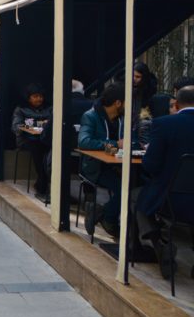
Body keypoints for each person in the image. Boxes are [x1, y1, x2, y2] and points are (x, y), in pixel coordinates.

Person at [135, 85, 194, 278]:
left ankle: (159, 244)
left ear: (176, 104)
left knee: (136, 199)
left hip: (170, 200)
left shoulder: (164, 124)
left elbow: (150, 165)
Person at [78, 83, 125, 238]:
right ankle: (109, 218)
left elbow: (132, 140)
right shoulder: (90, 116)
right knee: (124, 189)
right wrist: (113, 144)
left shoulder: (122, 119)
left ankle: (101, 212)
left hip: (120, 165)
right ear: (118, 103)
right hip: (96, 166)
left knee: (137, 185)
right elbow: (84, 142)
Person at [11, 83, 52, 198]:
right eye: (35, 96)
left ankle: (43, 183)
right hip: (26, 140)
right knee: (38, 148)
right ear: (28, 98)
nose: (39, 99)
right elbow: (16, 126)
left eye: (41, 96)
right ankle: (43, 185)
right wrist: (32, 127)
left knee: (48, 148)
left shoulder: (49, 108)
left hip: (44, 139)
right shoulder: (21, 109)